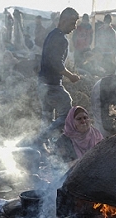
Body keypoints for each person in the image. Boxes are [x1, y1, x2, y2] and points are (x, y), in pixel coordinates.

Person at [37, 7, 80, 142]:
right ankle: (40, 139)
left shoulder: (52, 34)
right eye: (72, 23)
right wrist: (71, 76)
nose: (74, 27)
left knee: (47, 116)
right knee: (67, 111)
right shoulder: (61, 39)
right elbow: (56, 63)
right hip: (52, 85)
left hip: (42, 83)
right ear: (63, 20)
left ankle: (44, 147)